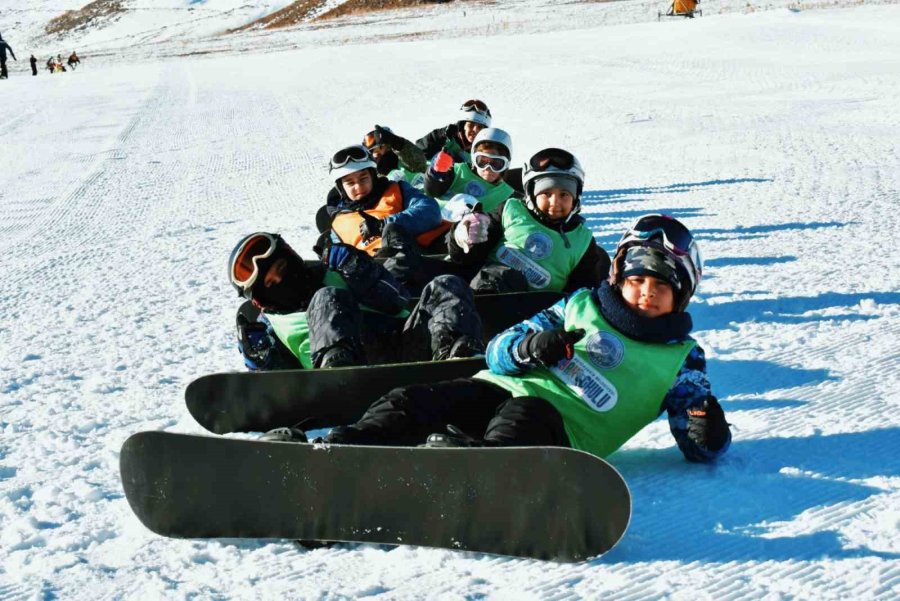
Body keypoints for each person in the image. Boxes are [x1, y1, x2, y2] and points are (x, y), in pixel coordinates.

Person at [302, 214, 731, 465]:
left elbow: (698, 446)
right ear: (618, 278)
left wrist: (704, 424)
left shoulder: (681, 361)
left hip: (561, 431)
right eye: (636, 280)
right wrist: (530, 348)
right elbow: (497, 350)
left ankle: (479, 471)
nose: (646, 293)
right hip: (498, 386)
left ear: (682, 293)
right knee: (410, 402)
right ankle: (341, 451)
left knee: (522, 415)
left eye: (661, 286)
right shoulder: (581, 305)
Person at [229, 232, 484, 372]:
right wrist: (264, 361)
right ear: (262, 299)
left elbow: (399, 301)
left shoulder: (336, 270)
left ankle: (457, 359)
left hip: (403, 345)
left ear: (293, 258)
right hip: (355, 370)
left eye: (282, 267)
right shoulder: (270, 326)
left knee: (446, 284)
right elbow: (286, 384)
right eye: (272, 285)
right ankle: (339, 371)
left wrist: (363, 272)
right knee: (326, 297)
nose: (283, 280)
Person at [387, 147, 610, 295]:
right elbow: (465, 258)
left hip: (524, 311)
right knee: (403, 265)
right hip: (471, 282)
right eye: (547, 194)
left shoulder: (582, 242)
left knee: (503, 277)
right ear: (531, 194)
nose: (555, 202)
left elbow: (580, 297)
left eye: (564, 195)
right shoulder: (511, 209)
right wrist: (462, 236)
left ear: (576, 197)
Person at [318, 144, 446, 255]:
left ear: (373, 176)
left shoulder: (396, 190)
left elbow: (431, 212)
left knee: (392, 230)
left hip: (433, 250)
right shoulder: (339, 223)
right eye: (350, 183)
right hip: (384, 269)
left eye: (363, 179)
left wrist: (382, 225)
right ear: (341, 188)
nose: (358, 187)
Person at [424, 127, 518, 213]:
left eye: (496, 164)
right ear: (473, 159)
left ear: (506, 164)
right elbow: (432, 191)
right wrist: (436, 174)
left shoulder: (506, 193)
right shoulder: (458, 171)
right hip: (435, 217)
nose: (488, 169)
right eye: (482, 161)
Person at [415, 99, 493, 164]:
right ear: (462, 126)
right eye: (471, 125)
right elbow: (417, 150)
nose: (475, 130)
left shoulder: (484, 151)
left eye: (479, 127)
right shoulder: (444, 136)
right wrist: (440, 136)